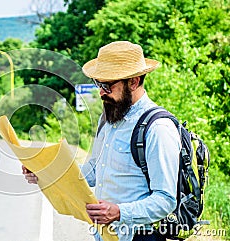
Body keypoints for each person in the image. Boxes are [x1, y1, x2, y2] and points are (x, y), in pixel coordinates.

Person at [23, 41, 181, 241]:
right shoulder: (107, 118)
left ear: (133, 82)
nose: (101, 92)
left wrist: (119, 213)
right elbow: (95, 171)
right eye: (98, 84)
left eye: (107, 85)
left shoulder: (158, 129)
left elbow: (166, 200)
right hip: (103, 236)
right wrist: (45, 171)